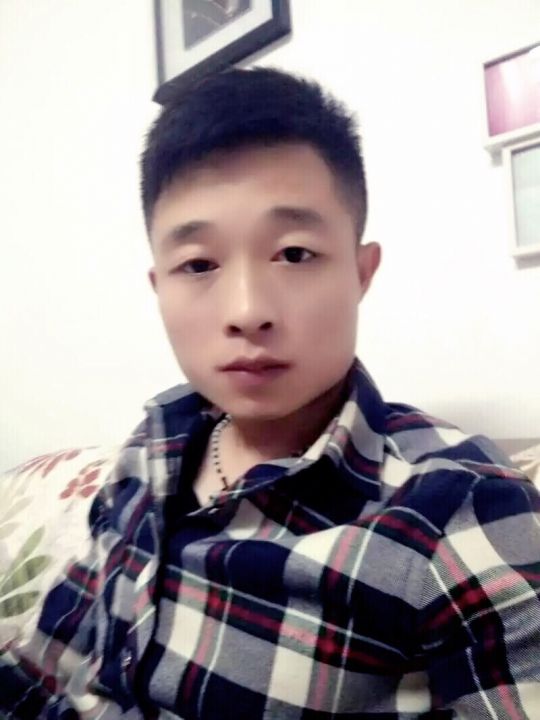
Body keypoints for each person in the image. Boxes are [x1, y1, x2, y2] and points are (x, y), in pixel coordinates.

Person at [1, 67, 539, 719]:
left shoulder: (459, 510)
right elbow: (42, 671)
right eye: (199, 264)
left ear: (361, 272)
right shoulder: (151, 449)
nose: (247, 311)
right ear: (159, 287)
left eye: (294, 254)